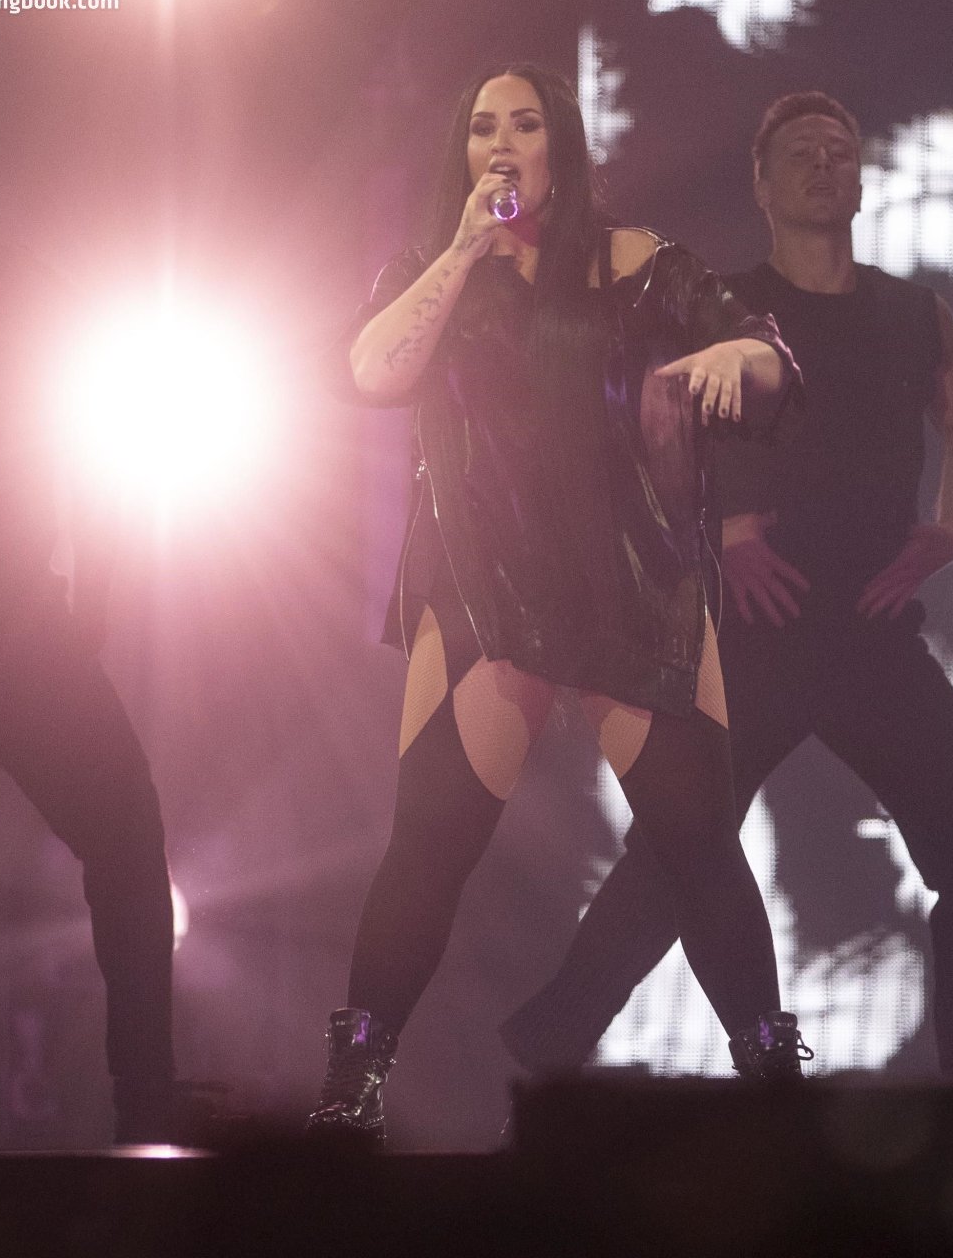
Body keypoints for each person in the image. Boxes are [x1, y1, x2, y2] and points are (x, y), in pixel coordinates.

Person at [307, 64, 807, 1145]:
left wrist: (737, 352)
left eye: (524, 125)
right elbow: (368, 374)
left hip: (629, 580)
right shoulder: (434, 270)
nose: (501, 144)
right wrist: (460, 252)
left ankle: (773, 1077)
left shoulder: (639, 264)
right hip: (485, 583)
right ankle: (352, 1088)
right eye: (482, 126)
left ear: (559, 148)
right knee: (429, 843)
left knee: (695, 841)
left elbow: (769, 361)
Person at [502, 92, 953, 1076]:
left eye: (840, 150)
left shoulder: (914, 314)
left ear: (861, 180)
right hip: (747, 636)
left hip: (871, 634)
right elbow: (649, 432)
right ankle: (544, 1044)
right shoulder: (727, 305)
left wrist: (947, 531)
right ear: (761, 183)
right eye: (800, 153)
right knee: (674, 858)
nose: (824, 165)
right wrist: (727, 528)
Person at [0, 97, 178, 1141]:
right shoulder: (30, 290)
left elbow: (98, 448)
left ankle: (147, 1095)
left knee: (128, 834)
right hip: (1, 620)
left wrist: (90, 593)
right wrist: (89, 595)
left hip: (9, 620)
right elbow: (102, 451)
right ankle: (144, 1095)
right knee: (128, 837)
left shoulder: (32, 294)